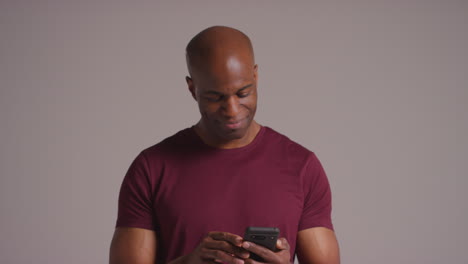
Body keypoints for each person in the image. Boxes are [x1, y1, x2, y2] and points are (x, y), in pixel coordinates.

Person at [109, 26, 340, 264]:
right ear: (192, 89)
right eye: (215, 97)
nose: (232, 110)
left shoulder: (302, 166)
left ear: (256, 77)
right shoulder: (151, 169)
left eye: (243, 93)